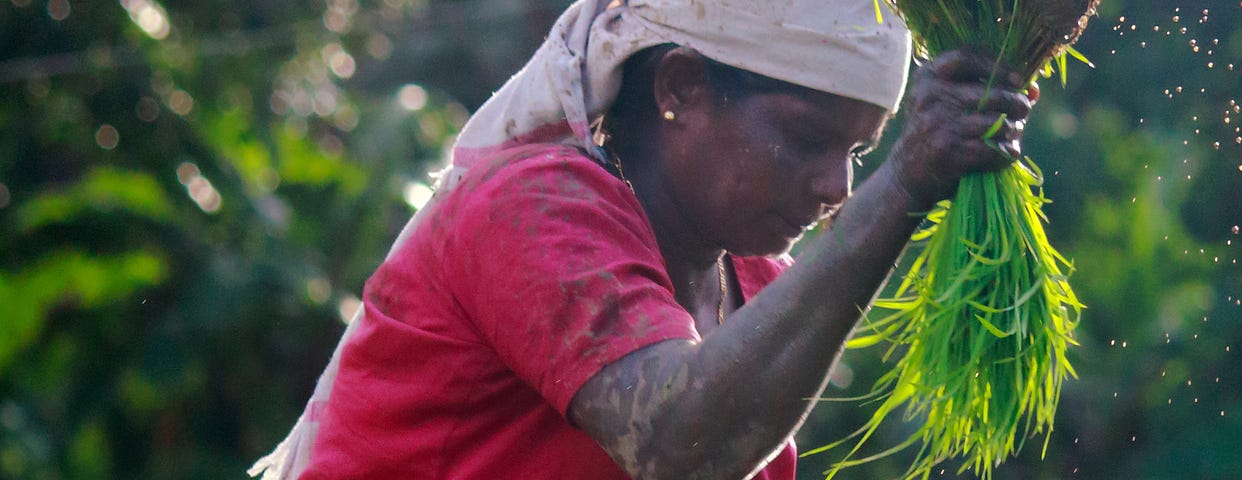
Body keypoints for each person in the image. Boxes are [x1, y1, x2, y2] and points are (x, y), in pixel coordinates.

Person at [250, 0, 1033, 478]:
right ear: (680, 88)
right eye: (804, 139)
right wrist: (901, 187)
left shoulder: (759, 289)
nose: (838, 187)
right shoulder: (533, 207)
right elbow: (678, 445)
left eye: (861, 155)